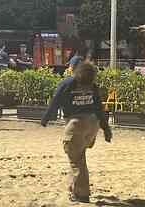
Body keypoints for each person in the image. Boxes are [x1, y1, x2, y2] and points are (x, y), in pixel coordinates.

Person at [41, 63, 113, 203]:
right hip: (92, 125)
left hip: (76, 125)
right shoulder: (92, 86)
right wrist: (106, 129)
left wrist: (45, 119)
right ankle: (73, 187)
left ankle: (82, 194)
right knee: (79, 156)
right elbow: (99, 108)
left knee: (76, 161)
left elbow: (55, 102)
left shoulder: (67, 83)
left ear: (73, 69)